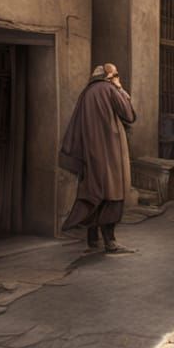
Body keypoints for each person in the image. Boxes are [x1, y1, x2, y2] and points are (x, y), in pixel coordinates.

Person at [59, 63, 136, 254]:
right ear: (109, 76)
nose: (117, 78)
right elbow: (129, 115)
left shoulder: (86, 93)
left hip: (90, 152)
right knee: (112, 193)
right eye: (116, 75)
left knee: (94, 192)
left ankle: (92, 241)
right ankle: (110, 242)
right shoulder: (110, 89)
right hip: (110, 150)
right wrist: (120, 89)